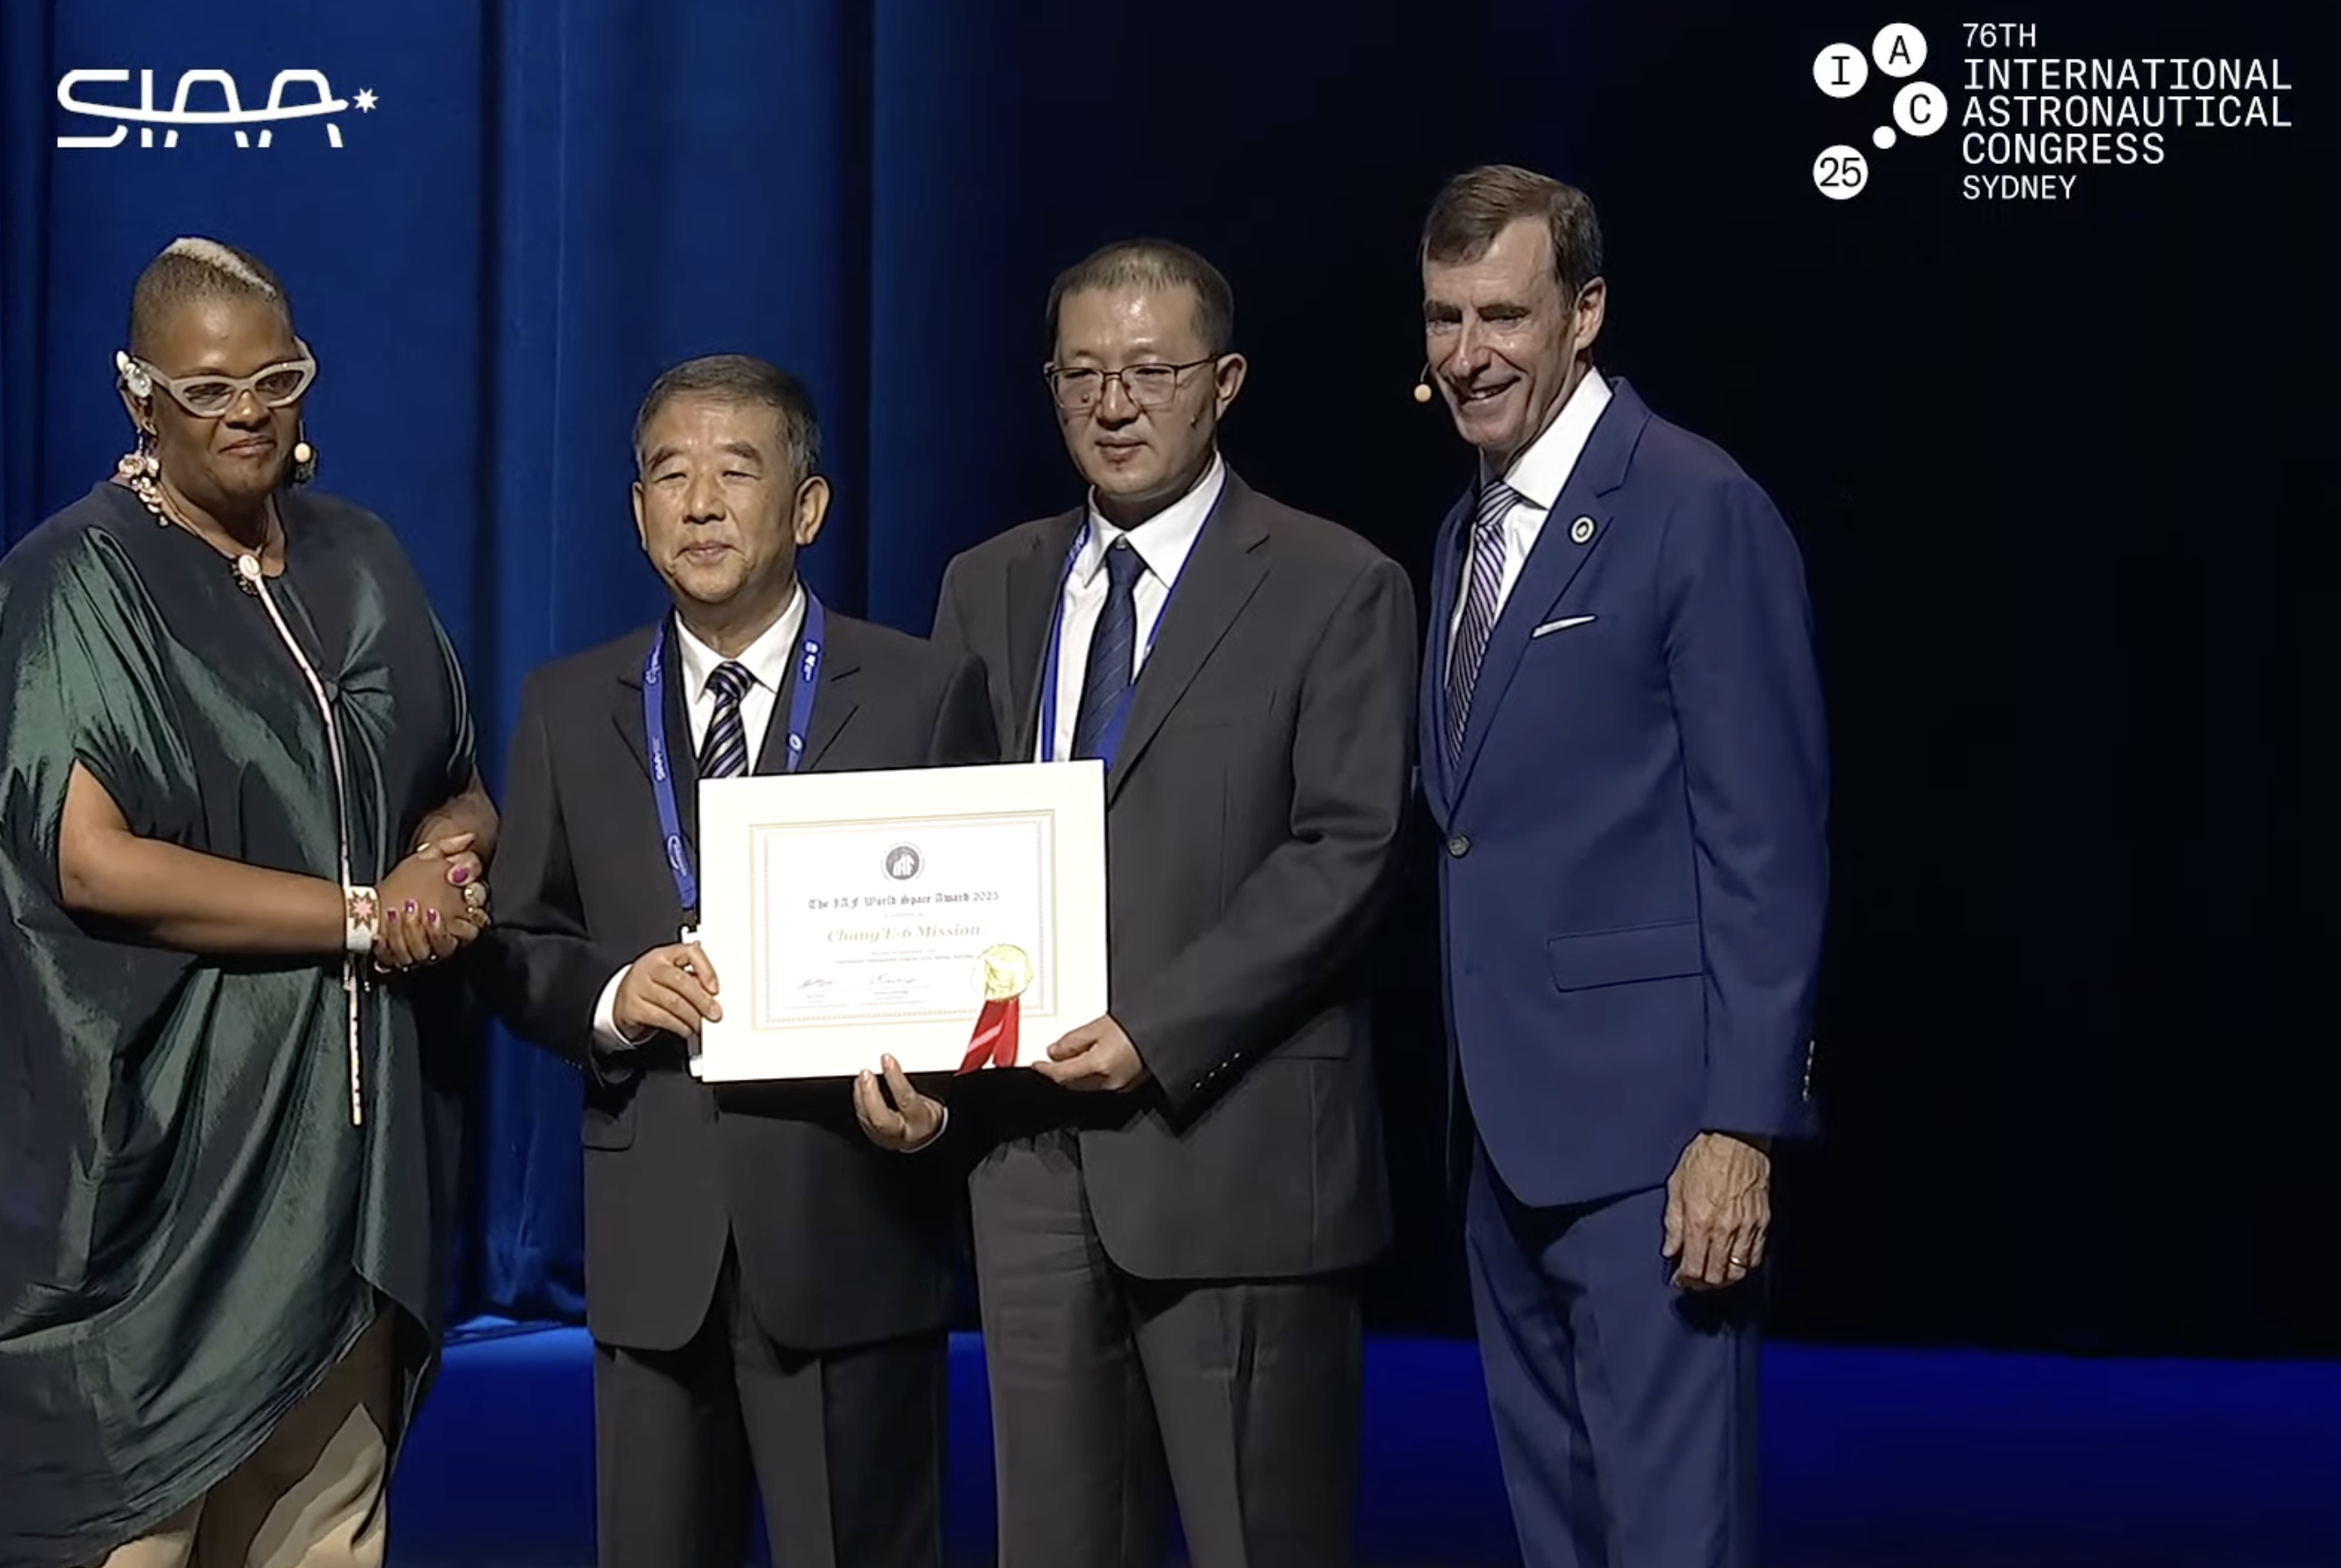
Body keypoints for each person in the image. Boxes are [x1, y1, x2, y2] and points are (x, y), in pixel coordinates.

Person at [0, 236, 497, 1568]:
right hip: (156, 1195)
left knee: (325, 1530)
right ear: (138, 397)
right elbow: (91, 861)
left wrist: (447, 860)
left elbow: (458, 783)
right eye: (205, 390)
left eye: (275, 378)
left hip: (344, 1185)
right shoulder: (69, 584)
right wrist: (365, 915)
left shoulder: (362, 557)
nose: (246, 411)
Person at [863, 240, 1416, 1568]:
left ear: (1222, 383)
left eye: (1150, 372)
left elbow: (1345, 851)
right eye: (1082, 374)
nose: (1113, 404)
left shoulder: (1336, 583)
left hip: (1236, 1150)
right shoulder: (983, 584)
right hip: (1028, 1167)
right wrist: (936, 1061)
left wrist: (1156, 1028)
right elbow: (941, 854)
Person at [473, 354, 999, 1568]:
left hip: (850, 1234)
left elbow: (981, 954)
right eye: (670, 473)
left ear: (806, 509)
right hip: (654, 1250)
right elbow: (514, 941)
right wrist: (609, 996)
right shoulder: (566, 703)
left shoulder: (923, 692)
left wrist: (940, 1103)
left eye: (735, 470)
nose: (700, 502)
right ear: (638, 511)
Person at [1412, 165, 1829, 1568]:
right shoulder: (1465, 528)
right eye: (1441, 318)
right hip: (1505, 1138)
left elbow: (1766, 842)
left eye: (1503, 317)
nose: (1468, 353)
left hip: (1657, 1146)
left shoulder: (1690, 505)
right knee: (1560, 1536)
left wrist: (1741, 1124)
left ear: (1583, 314)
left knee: (1668, 1537)